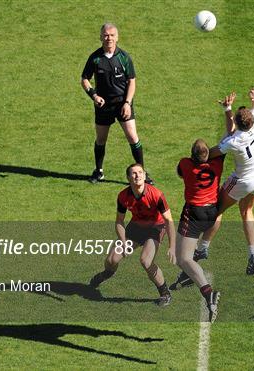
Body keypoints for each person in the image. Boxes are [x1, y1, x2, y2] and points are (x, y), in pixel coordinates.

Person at [89, 163, 176, 306]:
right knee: (112, 259)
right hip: (136, 227)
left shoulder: (156, 195)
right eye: (134, 173)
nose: (138, 175)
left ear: (144, 175)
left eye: (140, 172)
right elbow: (119, 221)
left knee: (146, 261)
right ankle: (106, 274)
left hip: (156, 227)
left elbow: (169, 221)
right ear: (128, 178)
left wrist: (172, 246)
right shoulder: (123, 196)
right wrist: (123, 242)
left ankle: (165, 293)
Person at [206, 87, 254, 275]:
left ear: (236, 121)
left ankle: (202, 247)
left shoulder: (234, 142)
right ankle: (253, 253)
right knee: (247, 210)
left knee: (217, 208)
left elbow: (211, 153)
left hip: (244, 180)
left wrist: (196, 154)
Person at [81, 23, 152, 184]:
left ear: (117, 37)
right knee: (101, 139)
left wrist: (127, 103)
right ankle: (98, 171)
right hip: (103, 106)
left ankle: (143, 173)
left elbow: (132, 82)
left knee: (133, 137)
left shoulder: (124, 58)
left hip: (122, 104)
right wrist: (94, 96)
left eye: (112, 35)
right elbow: (84, 79)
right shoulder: (95, 58)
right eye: (106, 35)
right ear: (100, 37)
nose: (109, 38)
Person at [172, 139, 225, 322]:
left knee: (182, 258)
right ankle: (189, 276)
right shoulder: (217, 164)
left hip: (194, 213)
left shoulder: (185, 164)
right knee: (187, 258)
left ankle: (208, 292)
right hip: (212, 213)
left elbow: (180, 173)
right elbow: (227, 138)